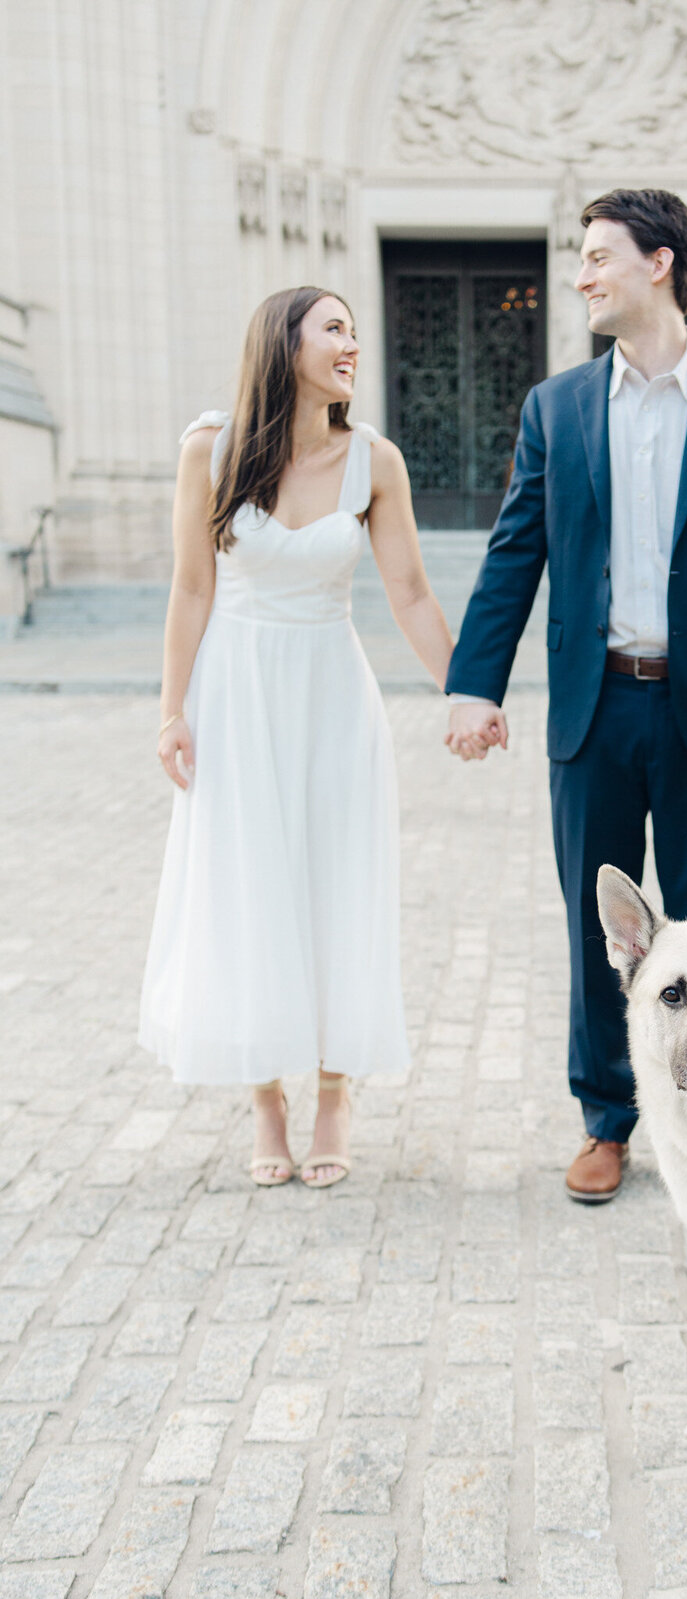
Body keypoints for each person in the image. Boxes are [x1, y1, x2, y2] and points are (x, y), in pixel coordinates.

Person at [445, 190, 687, 1203]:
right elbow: (517, 552)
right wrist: (476, 682)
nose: (583, 276)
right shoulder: (555, 407)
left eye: (599, 257)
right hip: (592, 713)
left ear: (660, 263)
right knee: (607, 936)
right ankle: (607, 1122)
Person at [140, 286, 453, 1187]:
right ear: (284, 345)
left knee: (334, 887)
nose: (352, 344)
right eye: (335, 329)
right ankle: (265, 1105)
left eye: (355, 330)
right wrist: (172, 711)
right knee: (249, 891)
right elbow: (191, 591)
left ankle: (333, 1092)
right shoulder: (211, 451)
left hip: (330, 696)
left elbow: (410, 595)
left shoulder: (375, 461)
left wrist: (468, 692)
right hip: (235, 698)